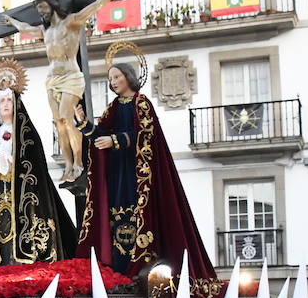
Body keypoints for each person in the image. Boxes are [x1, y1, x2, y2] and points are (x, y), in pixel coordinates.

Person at [75, 61, 215, 279]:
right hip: (117, 172)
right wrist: (84, 124)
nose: (113, 83)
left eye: (116, 77)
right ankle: (118, 266)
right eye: (110, 79)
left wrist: (115, 140)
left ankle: (139, 265)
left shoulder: (142, 103)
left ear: (129, 77)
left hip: (138, 173)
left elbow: (145, 134)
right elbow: (101, 133)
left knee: (136, 214)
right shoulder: (113, 107)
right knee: (116, 216)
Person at [1, 0, 140, 183]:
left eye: (43, 7)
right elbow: (25, 27)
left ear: (53, 5)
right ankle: (67, 165)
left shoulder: (72, 22)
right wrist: (12, 22)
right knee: (58, 123)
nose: (41, 12)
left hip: (71, 77)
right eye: (39, 9)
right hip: (52, 80)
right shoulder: (45, 31)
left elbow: (98, 4)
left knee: (67, 117)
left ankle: (78, 162)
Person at [0, 74, 78, 271]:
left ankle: (24, 262)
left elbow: (35, 161)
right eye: (2, 100)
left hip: (24, 194)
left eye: (9, 99)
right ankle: (2, 263)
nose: (5, 104)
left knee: (23, 229)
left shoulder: (27, 133)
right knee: (1, 229)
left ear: (16, 104)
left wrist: (15, 162)